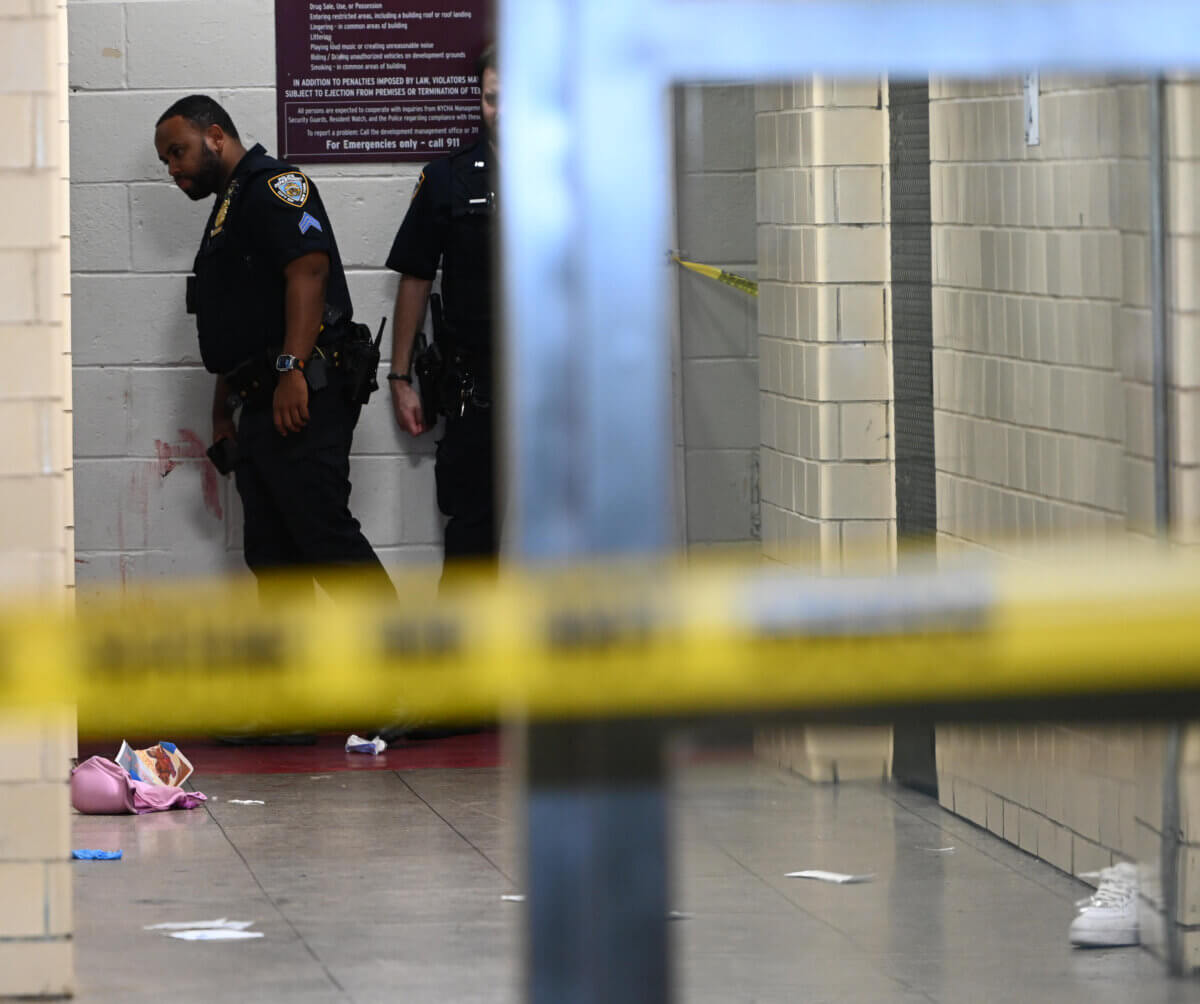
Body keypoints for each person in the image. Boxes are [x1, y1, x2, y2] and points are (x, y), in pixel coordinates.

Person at [153, 95, 393, 594]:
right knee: (273, 562)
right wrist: (223, 413)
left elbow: (309, 271)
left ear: (215, 136)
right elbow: (236, 327)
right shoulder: (228, 208)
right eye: (166, 160)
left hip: (302, 399)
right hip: (261, 408)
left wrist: (291, 370)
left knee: (328, 546)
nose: (173, 170)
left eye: (178, 151)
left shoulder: (274, 186)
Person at [385, 46, 499, 575]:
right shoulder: (448, 179)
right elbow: (415, 276)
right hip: (477, 383)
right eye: (492, 99)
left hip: (555, 384)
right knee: (472, 524)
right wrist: (400, 376)